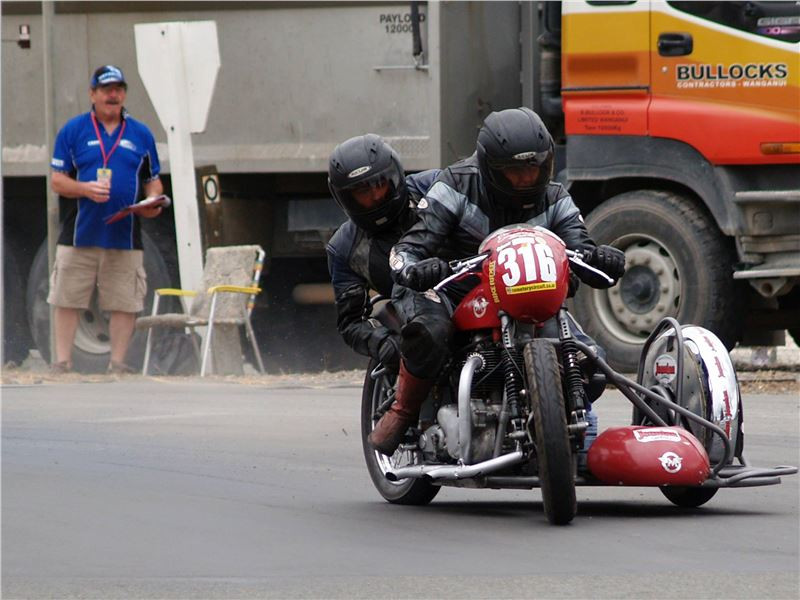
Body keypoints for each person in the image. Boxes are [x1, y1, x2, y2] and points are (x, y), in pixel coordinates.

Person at [368, 107, 626, 456]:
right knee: (430, 333)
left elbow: (580, 249)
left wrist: (601, 259)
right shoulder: (455, 185)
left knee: (589, 363)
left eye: (533, 168)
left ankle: (562, 427)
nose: (526, 179)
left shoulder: (555, 197)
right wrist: (416, 267)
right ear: (490, 168)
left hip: (524, 290)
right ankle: (403, 410)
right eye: (514, 172)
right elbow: (409, 247)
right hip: (453, 286)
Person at [48, 65, 164, 374]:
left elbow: (153, 180)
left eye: (118, 90)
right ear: (92, 94)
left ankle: (118, 363)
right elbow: (57, 180)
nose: (113, 95)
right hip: (79, 234)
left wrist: (153, 201)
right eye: (106, 90)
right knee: (68, 297)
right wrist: (85, 189)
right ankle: (62, 362)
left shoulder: (141, 134)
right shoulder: (74, 130)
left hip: (124, 235)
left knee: (124, 302)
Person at [326, 134, 439, 370]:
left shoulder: (434, 187)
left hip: (467, 287)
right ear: (345, 198)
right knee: (420, 344)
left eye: (380, 184)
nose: (376, 196)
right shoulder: (343, 248)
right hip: (414, 315)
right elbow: (351, 321)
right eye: (362, 192)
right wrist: (381, 341)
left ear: (395, 176)